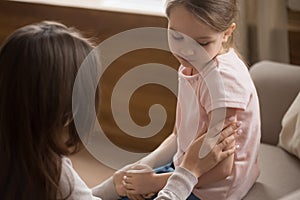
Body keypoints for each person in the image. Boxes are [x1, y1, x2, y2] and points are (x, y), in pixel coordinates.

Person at [0, 21, 238, 200]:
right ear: (67, 111)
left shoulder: (27, 159)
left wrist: (112, 186)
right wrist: (189, 170)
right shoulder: (51, 170)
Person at [120, 0, 261, 200]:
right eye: (177, 36)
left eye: (202, 42)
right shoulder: (192, 63)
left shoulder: (223, 82)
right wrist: (146, 167)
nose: (186, 50)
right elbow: (179, 133)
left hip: (214, 189)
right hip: (187, 167)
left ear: (227, 33)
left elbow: (222, 170)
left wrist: (155, 182)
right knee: (125, 191)